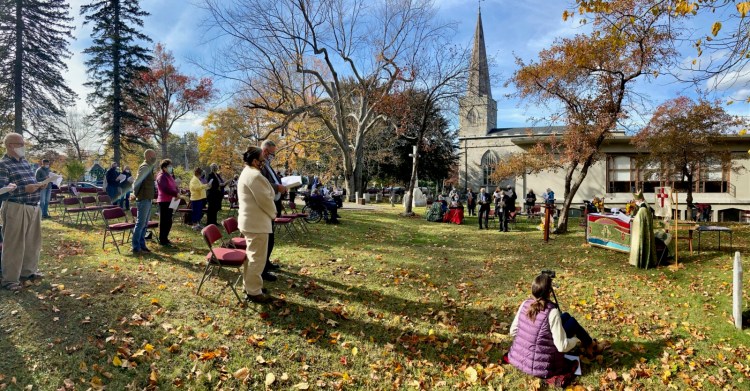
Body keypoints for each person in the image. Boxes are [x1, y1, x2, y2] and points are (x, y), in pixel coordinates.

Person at [506, 273, 599, 388]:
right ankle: (590, 344)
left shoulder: (525, 304)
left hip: (517, 357)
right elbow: (561, 346)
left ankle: (589, 343)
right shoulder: (552, 312)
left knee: (565, 316)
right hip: (543, 365)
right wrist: (574, 340)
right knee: (572, 323)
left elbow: (513, 331)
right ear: (549, 292)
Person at [0, 133, 46, 290]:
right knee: (14, 245)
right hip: (16, 207)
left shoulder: (25, 162)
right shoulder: (3, 164)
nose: (24, 146)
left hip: (33, 206)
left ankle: (27, 272)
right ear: (11, 145)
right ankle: (10, 280)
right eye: (21, 143)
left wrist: (39, 185)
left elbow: (30, 182)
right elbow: (2, 190)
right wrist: (24, 189)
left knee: (32, 243)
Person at [237, 146, 277, 303]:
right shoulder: (255, 176)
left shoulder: (247, 173)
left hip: (251, 222)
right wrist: (273, 214)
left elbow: (268, 194)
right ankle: (254, 291)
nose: (264, 162)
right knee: (257, 259)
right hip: (257, 223)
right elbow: (266, 200)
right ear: (254, 161)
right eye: (262, 160)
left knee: (251, 257)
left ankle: (250, 286)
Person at [259, 140, 286, 281]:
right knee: (266, 239)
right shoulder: (259, 166)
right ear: (264, 151)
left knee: (271, 237)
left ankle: (266, 262)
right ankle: (262, 269)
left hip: (274, 203)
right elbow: (263, 183)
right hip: (265, 206)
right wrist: (277, 187)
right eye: (271, 153)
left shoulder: (267, 165)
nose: (272, 156)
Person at [132, 150, 157, 254]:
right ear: (148, 156)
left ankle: (142, 245)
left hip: (148, 198)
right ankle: (136, 247)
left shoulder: (149, 167)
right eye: (153, 155)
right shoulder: (145, 167)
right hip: (143, 199)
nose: (155, 157)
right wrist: (136, 194)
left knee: (144, 224)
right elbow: (137, 182)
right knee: (140, 224)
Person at [629, 190, 657, 269]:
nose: (636, 202)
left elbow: (639, 220)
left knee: (641, 243)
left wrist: (633, 219)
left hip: (641, 231)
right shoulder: (645, 207)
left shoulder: (642, 209)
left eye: (636, 200)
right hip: (644, 229)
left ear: (640, 200)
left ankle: (641, 261)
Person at [156, 159, 179, 247]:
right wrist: (175, 193)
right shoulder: (161, 176)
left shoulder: (169, 175)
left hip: (171, 200)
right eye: (169, 166)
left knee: (169, 220)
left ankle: (165, 238)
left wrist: (178, 191)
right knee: (164, 221)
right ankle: (162, 240)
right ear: (164, 167)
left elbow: (173, 186)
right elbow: (165, 188)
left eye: (171, 166)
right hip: (164, 201)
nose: (171, 168)